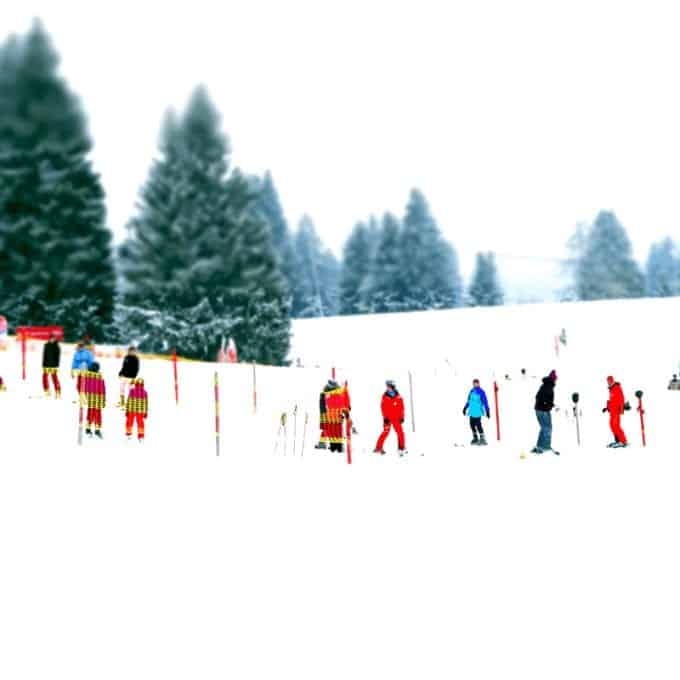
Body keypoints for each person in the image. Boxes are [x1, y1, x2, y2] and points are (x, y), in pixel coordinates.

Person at [374, 379, 407, 456]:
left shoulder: (399, 396)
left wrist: (402, 417)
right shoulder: (385, 396)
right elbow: (383, 408)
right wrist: (385, 418)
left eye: (389, 386)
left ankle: (401, 447)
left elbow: (402, 408)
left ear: (393, 387)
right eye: (387, 386)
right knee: (385, 432)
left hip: (396, 418)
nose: (387, 388)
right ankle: (378, 448)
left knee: (400, 433)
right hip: (388, 419)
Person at [532, 369, 559, 455]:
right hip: (543, 410)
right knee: (547, 428)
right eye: (556, 379)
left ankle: (540, 445)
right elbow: (543, 399)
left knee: (544, 428)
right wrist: (548, 405)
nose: (556, 381)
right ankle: (545, 446)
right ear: (553, 379)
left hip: (539, 409)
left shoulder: (545, 385)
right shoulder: (549, 386)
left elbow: (539, 397)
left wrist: (551, 405)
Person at [463, 379, 491, 445]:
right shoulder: (471, 391)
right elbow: (469, 401)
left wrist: (487, 410)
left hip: (478, 412)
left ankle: (482, 439)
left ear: (479, 384)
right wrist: (465, 408)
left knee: (478, 425)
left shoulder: (481, 392)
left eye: (477, 383)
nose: (475, 384)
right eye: (474, 383)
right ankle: (475, 438)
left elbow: (485, 402)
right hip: (472, 412)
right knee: (471, 425)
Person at [325, 381, 350, 453]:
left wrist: (346, 410)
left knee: (337, 430)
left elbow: (345, 400)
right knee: (331, 431)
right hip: (331, 414)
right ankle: (333, 445)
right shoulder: (327, 393)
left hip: (338, 414)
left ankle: (338, 445)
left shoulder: (340, 392)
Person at [603, 375, 628, 448]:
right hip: (612, 411)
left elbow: (622, 398)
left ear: (612, 381)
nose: (609, 383)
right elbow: (612, 401)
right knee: (611, 425)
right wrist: (607, 408)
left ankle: (623, 441)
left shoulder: (616, 388)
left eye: (610, 381)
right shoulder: (611, 389)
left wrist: (621, 408)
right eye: (608, 381)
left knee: (616, 426)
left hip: (616, 411)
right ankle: (617, 440)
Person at [84, 361, 106, 438]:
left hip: (90, 400)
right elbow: (103, 390)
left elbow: (83, 388)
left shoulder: (87, 377)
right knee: (97, 415)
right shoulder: (100, 378)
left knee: (90, 414)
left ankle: (88, 428)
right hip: (98, 401)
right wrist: (103, 401)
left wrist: (83, 397)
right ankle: (97, 429)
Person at [315, 379, 338, 449]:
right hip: (326, 413)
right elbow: (323, 405)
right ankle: (323, 444)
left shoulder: (336, 392)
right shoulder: (325, 393)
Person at [125, 377, 148, 442]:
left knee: (129, 422)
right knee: (140, 423)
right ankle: (140, 435)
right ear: (143, 384)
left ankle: (129, 434)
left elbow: (128, 401)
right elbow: (146, 403)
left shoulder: (132, 390)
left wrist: (127, 410)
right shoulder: (145, 392)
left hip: (132, 410)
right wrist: (145, 412)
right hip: (140, 411)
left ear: (136, 383)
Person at [41, 333, 61, 398]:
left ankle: (57, 390)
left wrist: (56, 366)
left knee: (54, 377)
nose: (51, 339)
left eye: (53, 338)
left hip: (53, 365)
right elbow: (44, 355)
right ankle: (46, 390)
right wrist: (43, 365)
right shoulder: (46, 345)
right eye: (51, 338)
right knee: (44, 377)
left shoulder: (57, 346)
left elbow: (58, 357)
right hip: (46, 364)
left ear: (55, 339)